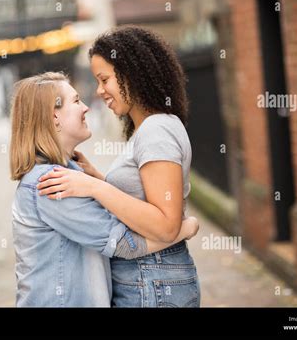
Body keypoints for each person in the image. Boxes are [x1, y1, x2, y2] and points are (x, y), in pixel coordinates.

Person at [37, 26, 201, 307]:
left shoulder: (156, 130)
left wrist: (94, 187)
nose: (99, 92)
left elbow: (165, 225)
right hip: (149, 279)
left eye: (104, 80)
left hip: (152, 281)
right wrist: (97, 178)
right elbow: (142, 199)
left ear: (131, 75)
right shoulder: (151, 128)